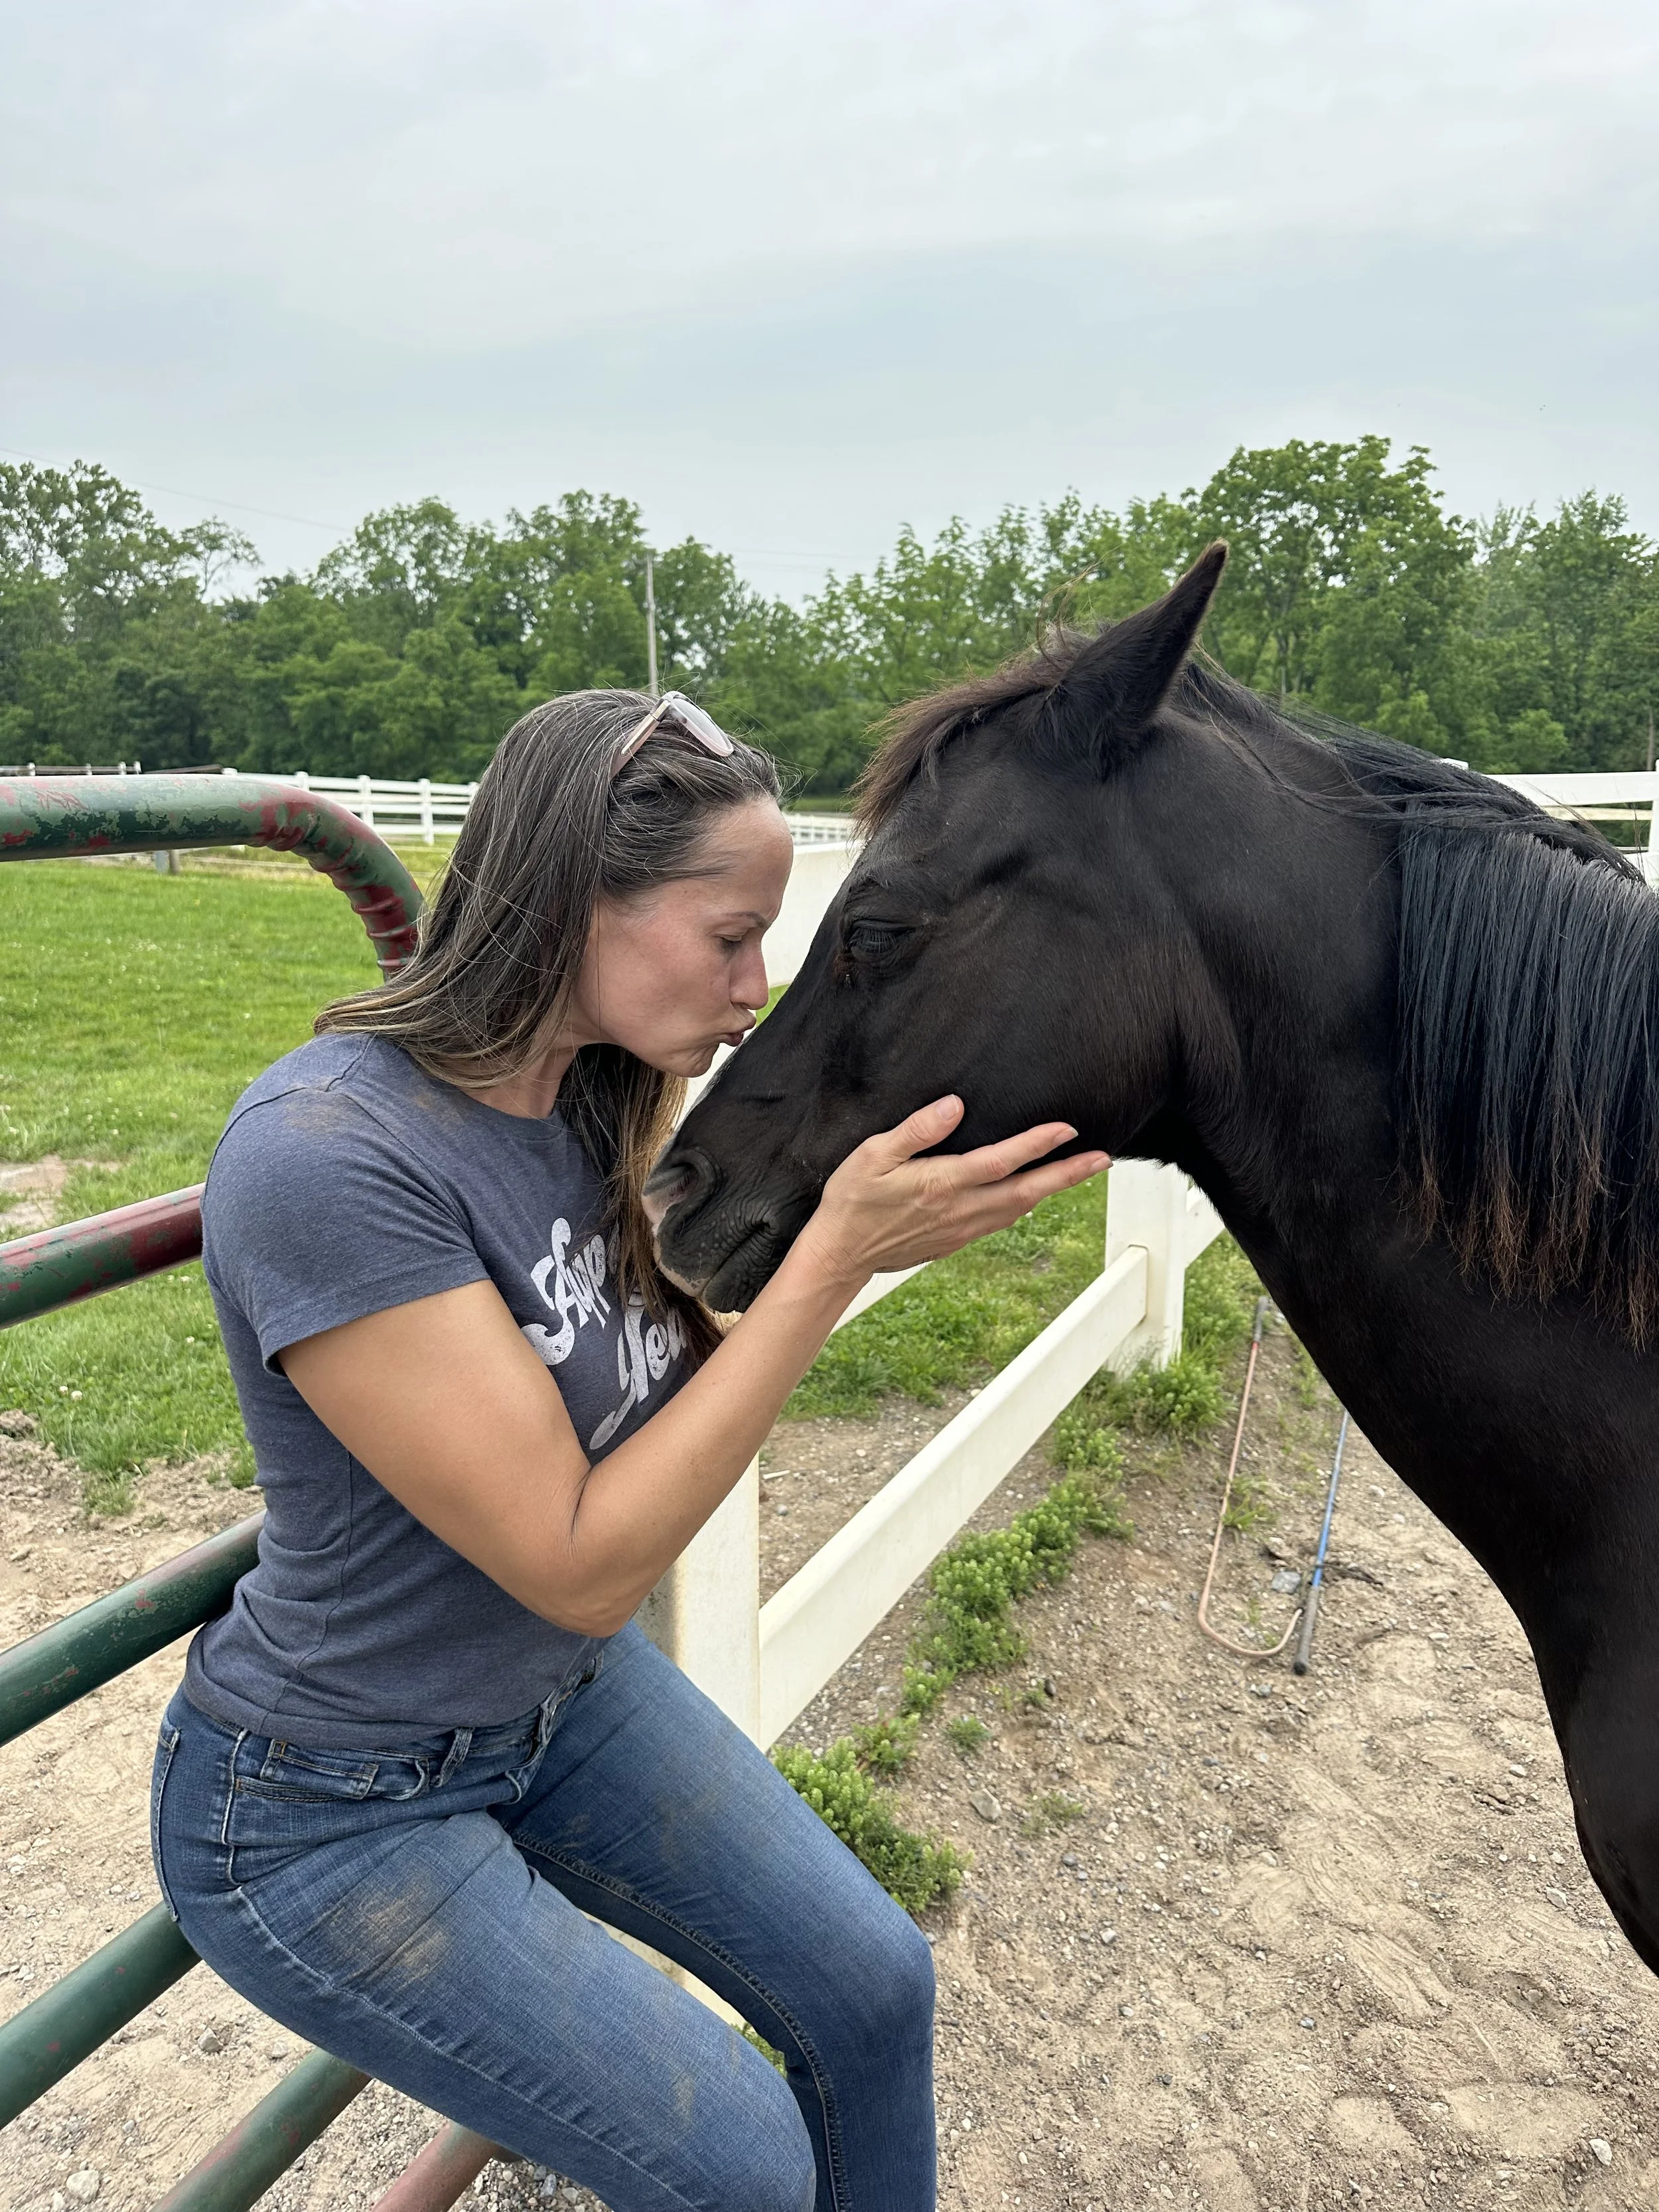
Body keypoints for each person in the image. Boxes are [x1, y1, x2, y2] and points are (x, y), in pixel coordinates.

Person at [151, 688, 1109, 2212]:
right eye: (729, 935)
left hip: (546, 1709)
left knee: (874, 1992)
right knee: (735, 2162)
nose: (756, 985)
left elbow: (668, 1401)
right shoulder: (329, 1155)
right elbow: (584, 1559)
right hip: (327, 1803)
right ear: (566, 905)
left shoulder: (595, 1103)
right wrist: (832, 1263)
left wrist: (855, 1226)